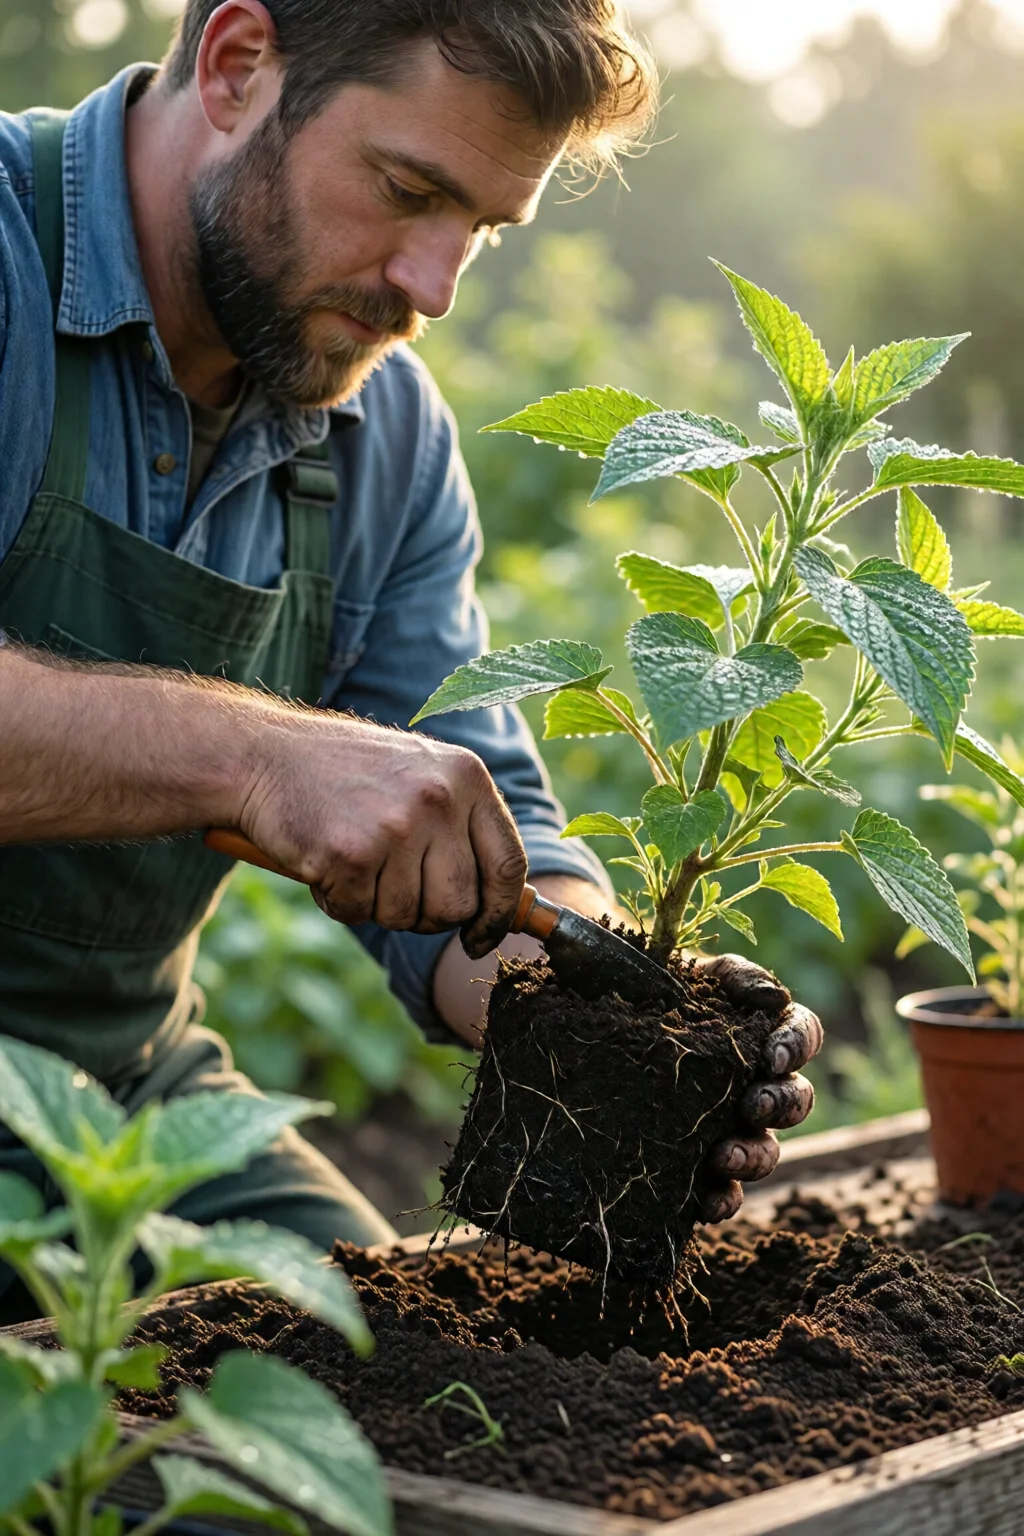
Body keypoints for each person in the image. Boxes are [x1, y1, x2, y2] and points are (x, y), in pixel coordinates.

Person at [0, 0, 822, 1286]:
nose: (431, 289)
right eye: (405, 189)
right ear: (234, 66)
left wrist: (623, 1016)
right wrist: (255, 756)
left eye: (480, 232)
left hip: (121, 1093)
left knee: (408, 1396)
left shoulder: (383, 439)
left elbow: (480, 840)